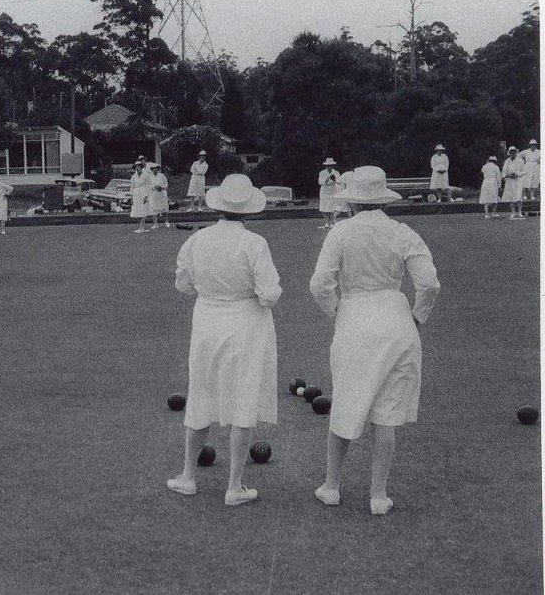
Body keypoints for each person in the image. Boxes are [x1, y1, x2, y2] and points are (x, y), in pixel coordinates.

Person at [309, 166, 440, 516]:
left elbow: (320, 283)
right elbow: (428, 283)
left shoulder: (340, 232)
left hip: (355, 319)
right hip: (396, 321)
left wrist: (336, 309)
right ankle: (378, 496)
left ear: (351, 202)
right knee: (386, 413)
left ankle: (331, 486)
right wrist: (417, 316)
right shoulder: (401, 232)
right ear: (383, 199)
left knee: (347, 402)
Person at [167, 174, 281, 506]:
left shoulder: (197, 240)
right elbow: (270, 293)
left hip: (207, 319)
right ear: (247, 210)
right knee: (243, 396)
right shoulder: (255, 243)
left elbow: (183, 284)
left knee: (200, 390)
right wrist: (254, 299)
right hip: (246, 323)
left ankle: (188, 476)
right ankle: (234, 486)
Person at [501, 146, 526, 219]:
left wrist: (517, 174)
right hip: (510, 181)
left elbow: (524, 171)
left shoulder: (520, 161)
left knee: (518, 197)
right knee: (511, 197)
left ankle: (520, 212)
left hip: (518, 181)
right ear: (509, 153)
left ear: (516, 152)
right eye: (511, 152)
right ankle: (513, 212)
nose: (513, 153)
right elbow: (503, 172)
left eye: (514, 152)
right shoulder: (507, 161)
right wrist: (507, 175)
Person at [130, 159, 153, 233]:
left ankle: (141, 227)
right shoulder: (134, 176)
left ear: (141, 167)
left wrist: (146, 195)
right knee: (137, 210)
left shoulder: (146, 175)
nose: (137, 168)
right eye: (136, 167)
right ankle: (141, 226)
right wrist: (131, 197)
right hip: (136, 194)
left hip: (143, 193)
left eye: (138, 166)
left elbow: (148, 186)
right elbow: (132, 187)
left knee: (144, 210)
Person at [317, 157, 341, 228]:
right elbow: (320, 182)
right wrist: (327, 179)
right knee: (324, 208)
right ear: (326, 166)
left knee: (332, 207)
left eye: (331, 165)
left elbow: (339, 182)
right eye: (328, 165)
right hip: (324, 191)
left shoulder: (336, 172)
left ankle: (332, 222)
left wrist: (334, 180)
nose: (329, 167)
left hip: (333, 191)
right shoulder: (322, 173)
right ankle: (327, 222)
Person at [149, 162, 171, 229]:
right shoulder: (149, 176)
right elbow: (148, 185)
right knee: (153, 208)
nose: (154, 170)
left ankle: (166, 221)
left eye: (156, 168)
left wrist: (162, 187)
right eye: (153, 169)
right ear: (152, 169)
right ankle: (155, 224)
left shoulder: (162, 175)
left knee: (164, 208)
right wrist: (154, 187)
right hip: (154, 194)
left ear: (158, 169)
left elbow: (166, 183)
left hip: (162, 193)